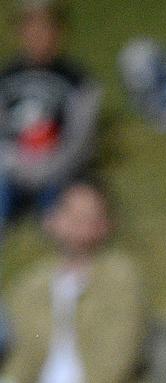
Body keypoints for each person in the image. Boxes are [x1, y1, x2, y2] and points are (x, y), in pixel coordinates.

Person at [0, 178, 152, 383]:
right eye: (71, 213)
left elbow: (114, 366)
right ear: (51, 220)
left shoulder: (121, 278)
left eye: (89, 216)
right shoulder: (31, 286)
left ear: (105, 225)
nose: (78, 223)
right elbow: (24, 359)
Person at [0, 1, 101, 234]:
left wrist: (52, 164)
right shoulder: (6, 78)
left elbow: (82, 137)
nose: (37, 36)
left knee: (64, 200)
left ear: (59, 32)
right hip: (13, 167)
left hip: (56, 167)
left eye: (44, 28)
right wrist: (13, 161)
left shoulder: (78, 80)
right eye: (30, 28)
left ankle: (55, 224)